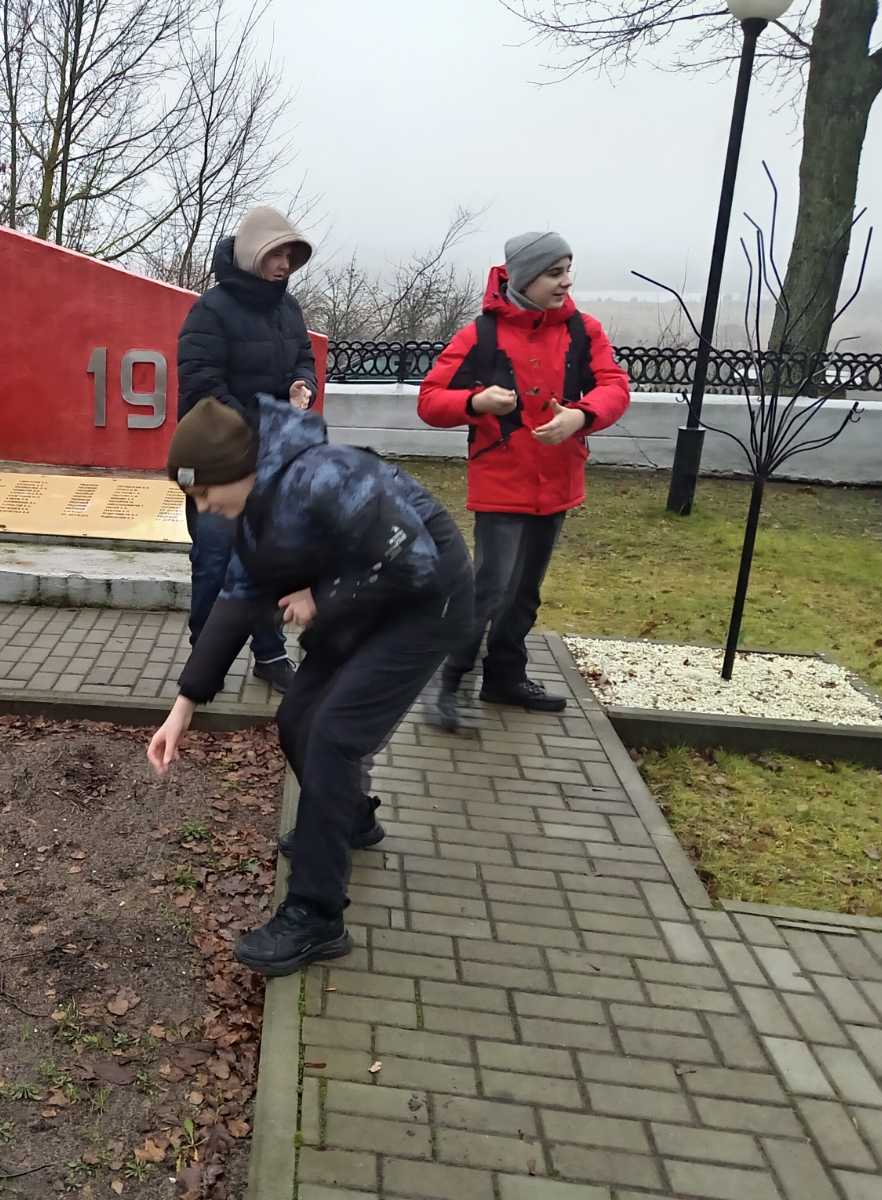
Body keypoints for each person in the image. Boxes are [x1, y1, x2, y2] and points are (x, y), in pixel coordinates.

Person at [146, 396, 473, 977]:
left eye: (204, 492)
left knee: (335, 736)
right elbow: (237, 600)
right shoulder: (253, 513)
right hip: (366, 600)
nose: (204, 507)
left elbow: (415, 559)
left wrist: (322, 597)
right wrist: (183, 706)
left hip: (427, 603)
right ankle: (351, 818)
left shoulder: (326, 475)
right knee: (297, 718)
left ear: (237, 470)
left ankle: (316, 916)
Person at [417, 232, 631, 729]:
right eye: (555, 272)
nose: (566, 281)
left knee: (525, 591)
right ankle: (447, 681)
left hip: (557, 482)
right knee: (488, 587)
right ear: (525, 278)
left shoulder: (584, 330)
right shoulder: (481, 335)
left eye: (568, 269)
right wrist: (475, 402)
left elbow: (615, 385)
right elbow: (429, 400)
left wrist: (580, 416)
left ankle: (505, 677)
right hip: (501, 483)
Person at [175, 204, 320, 693]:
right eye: (276, 254)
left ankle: (270, 655)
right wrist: (262, 427)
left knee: (268, 558)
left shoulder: (288, 309)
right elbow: (203, 388)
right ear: (253, 252)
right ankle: (205, 659)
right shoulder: (210, 310)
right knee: (215, 562)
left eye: (290, 257)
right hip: (218, 462)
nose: (284, 265)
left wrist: (302, 385)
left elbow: (303, 358)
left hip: (271, 460)